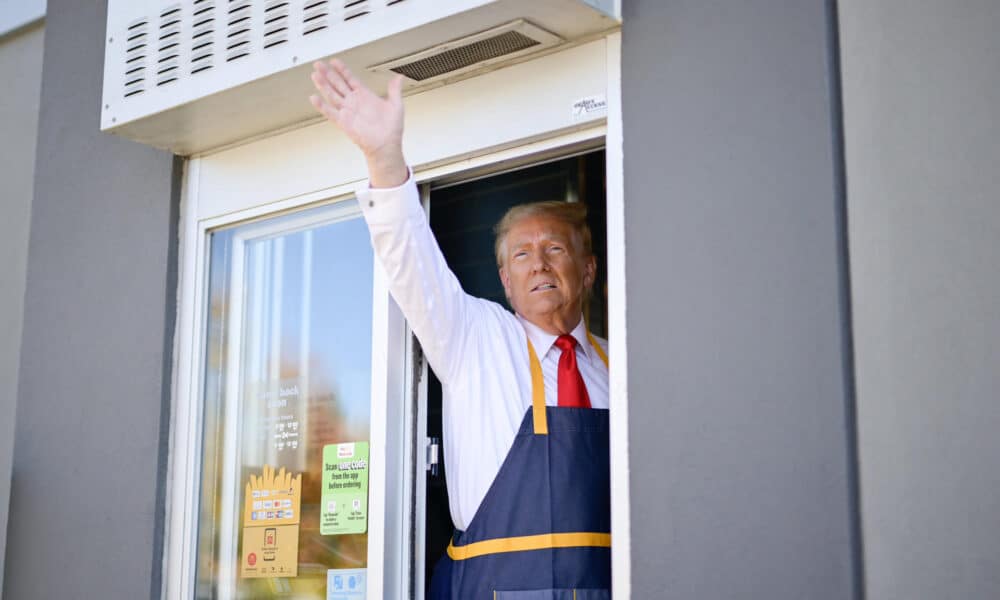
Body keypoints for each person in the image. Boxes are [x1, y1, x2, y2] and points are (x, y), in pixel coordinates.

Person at [310, 59, 611, 599]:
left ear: (587, 270)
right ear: (506, 280)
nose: (538, 264)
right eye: (522, 254)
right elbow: (411, 264)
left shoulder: (621, 365)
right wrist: (384, 158)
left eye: (555, 249)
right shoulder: (474, 337)